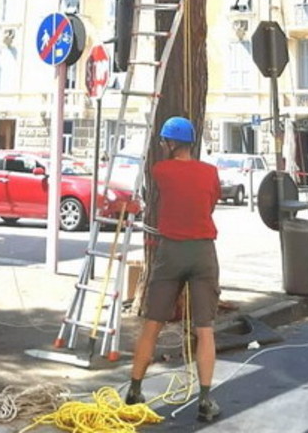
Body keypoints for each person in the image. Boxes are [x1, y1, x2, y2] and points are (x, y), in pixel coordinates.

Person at [125, 116, 222, 423]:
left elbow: (157, 193)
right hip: (203, 250)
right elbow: (210, 204)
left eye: (165, 141)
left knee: (153, 324)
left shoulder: (160, 171)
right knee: (204, 329)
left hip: (170, 252)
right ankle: (205, 400)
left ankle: (134, 390)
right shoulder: (210, 173)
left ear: (170, 143)